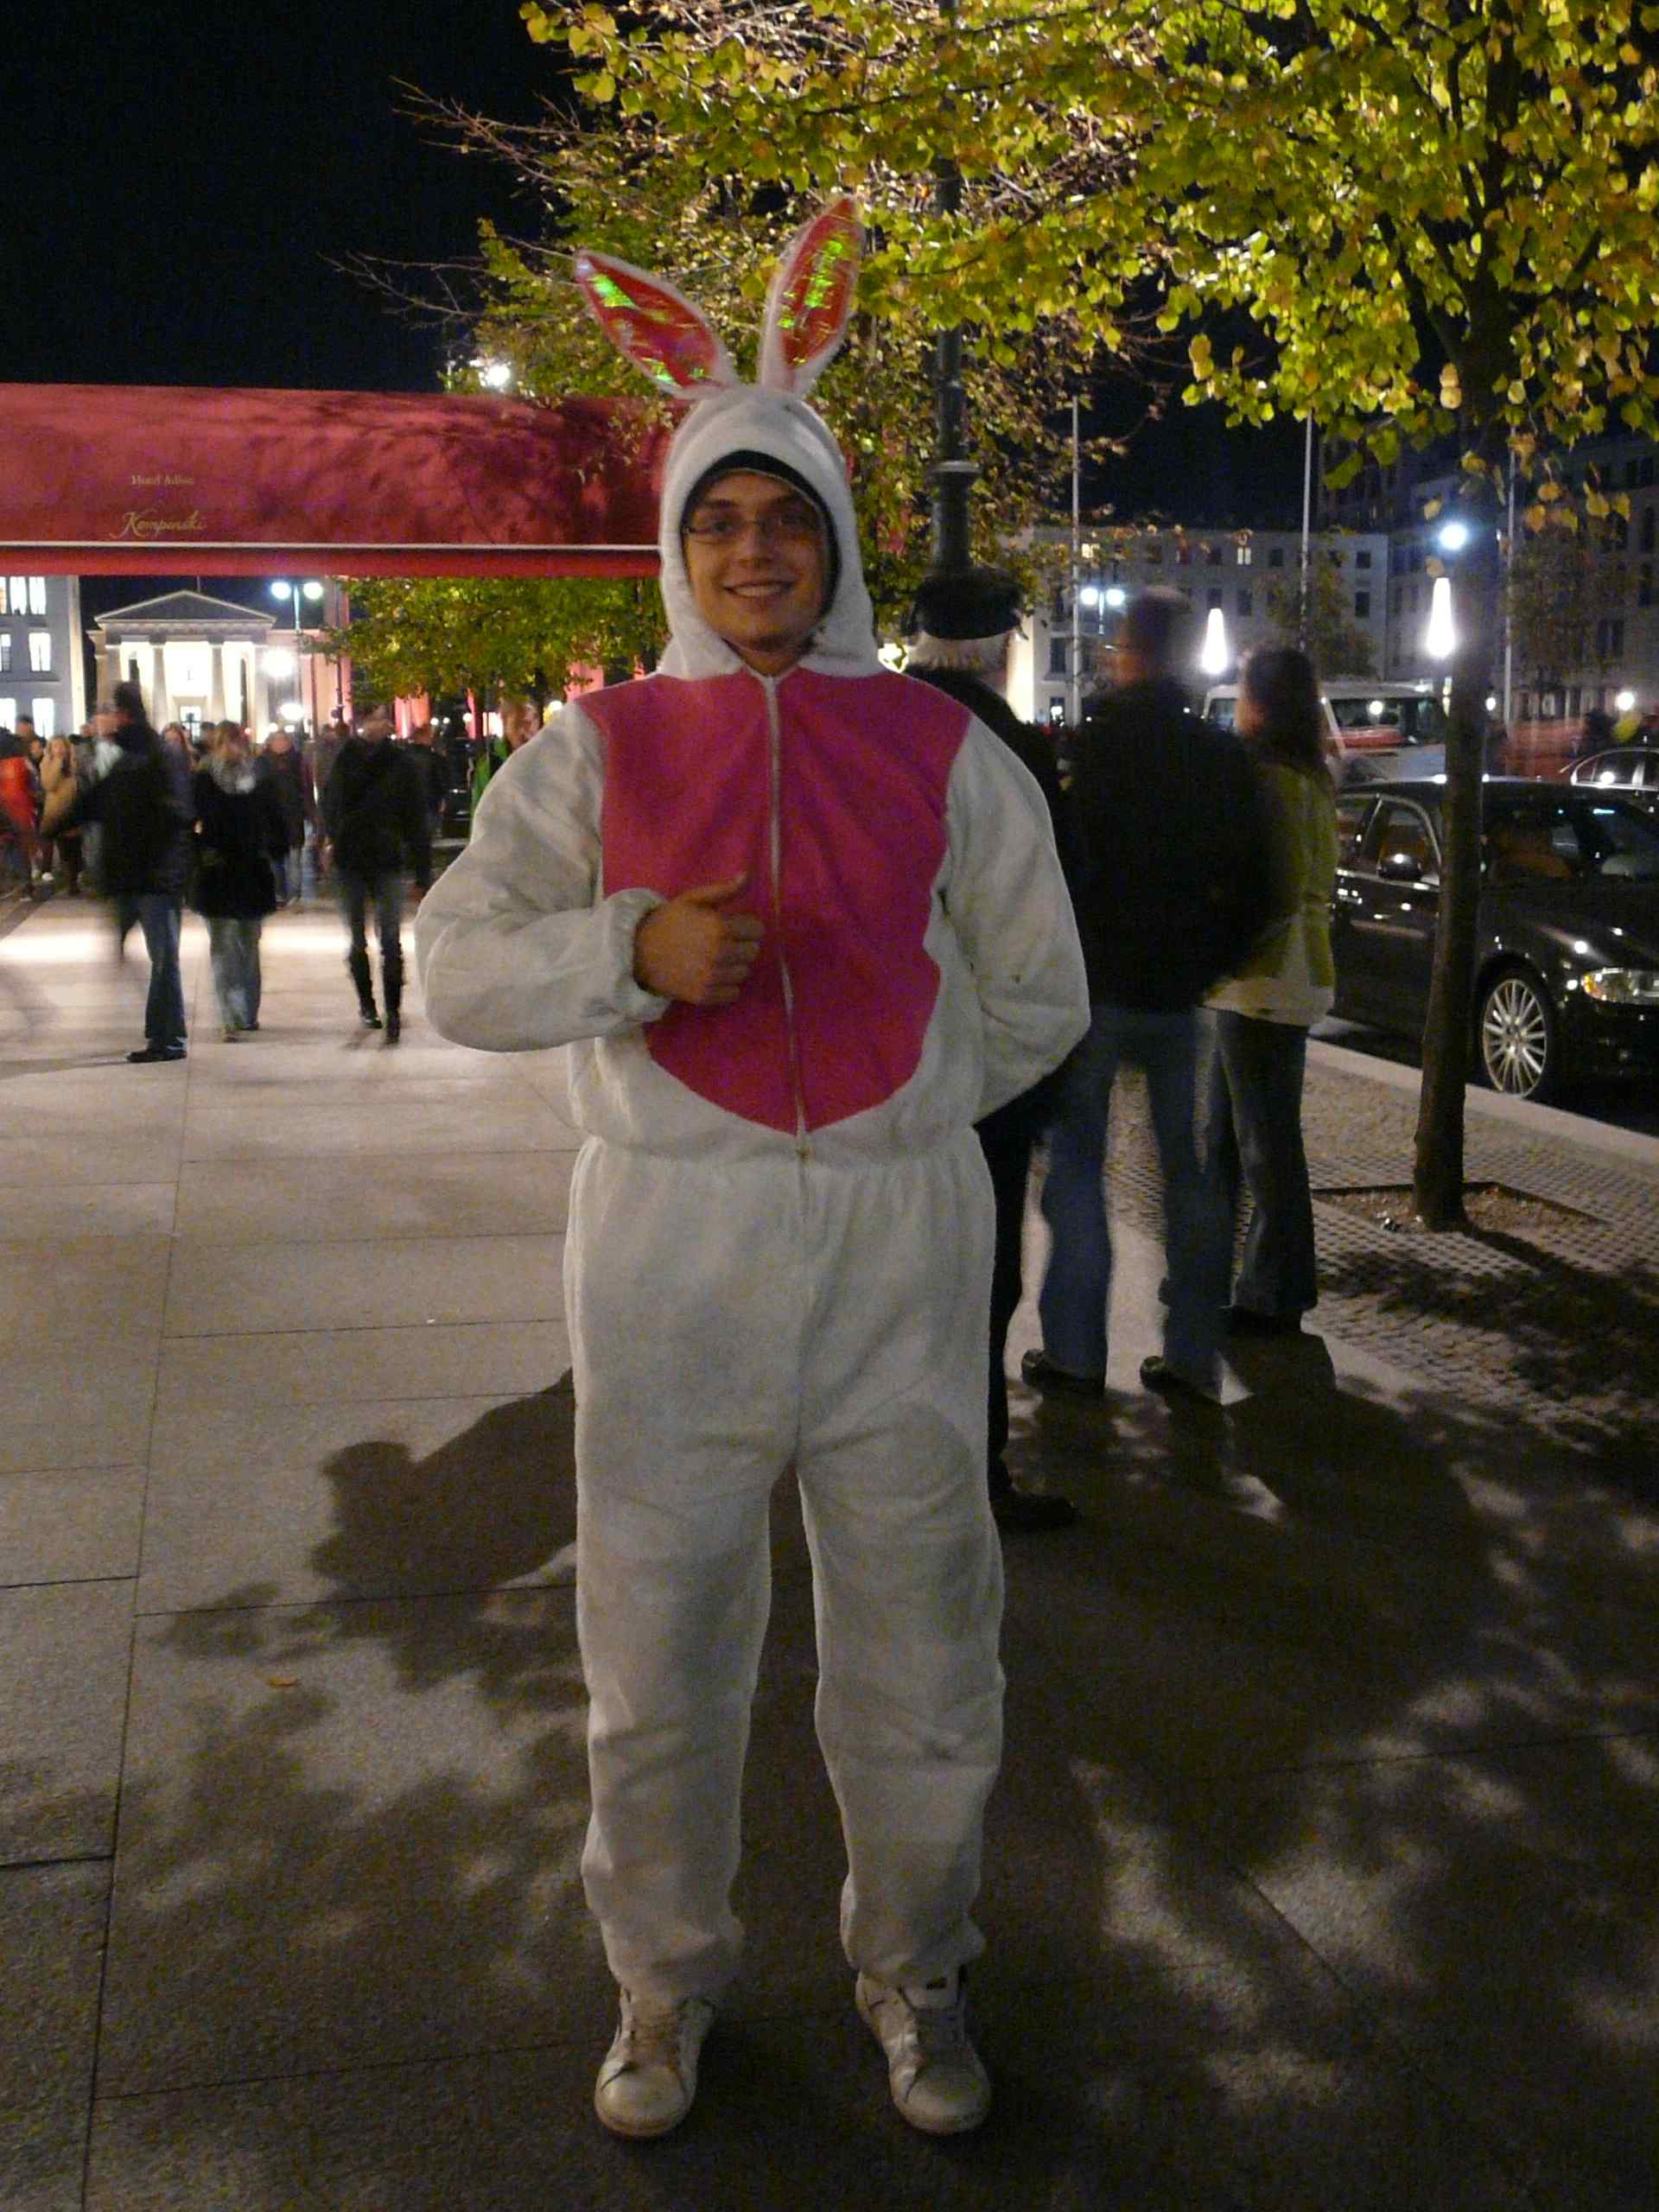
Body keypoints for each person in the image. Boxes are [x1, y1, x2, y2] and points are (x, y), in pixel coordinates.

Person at [416, 205, 1088, 2145]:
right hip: (672, 1250)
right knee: (656, 1653)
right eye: (718, 520)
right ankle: (663, 1977)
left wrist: (905, 1112)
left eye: (787, 516)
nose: (755, 550)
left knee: (925, 1641)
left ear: (838, 537)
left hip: (897, 1245)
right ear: (678, 547)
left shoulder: (942, 747)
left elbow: (1039, 991)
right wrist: (626, 948)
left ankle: (918, 1964)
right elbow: (460, 964)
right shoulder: (593, 746)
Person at [1022, 588, 1274, 1405]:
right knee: (1187, 1177)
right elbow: (1261, 883)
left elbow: (1063, 868)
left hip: (1098, 987)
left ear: (1130, 654)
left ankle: (1075, 1352)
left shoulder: (1098, 751)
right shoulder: (1218, 757)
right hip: (1174, 993)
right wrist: (1208, 962)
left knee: (1077, 1170)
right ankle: (1193, 1354)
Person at [905, 565, 1080, 1535]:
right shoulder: (1006, 748)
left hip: (886, 1059)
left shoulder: (875, 724)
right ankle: (972, 1473)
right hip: (980, 1069)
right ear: (1001, 645)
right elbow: (1045, 920)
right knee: (982, 1275)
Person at [1203, 647, 1340, 1335]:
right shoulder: (1310, 778)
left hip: (1263, 980)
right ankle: (1217, 1274)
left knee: (1263, 1146)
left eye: (1242, 690)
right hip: (1281, 978)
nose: (1236, 702)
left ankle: (1276, 1294)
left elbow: (1272, 893)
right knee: (1235, 1140)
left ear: (1261, 702)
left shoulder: (1272, 781)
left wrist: (1218, 951)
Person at [42, 681, 194, 1061]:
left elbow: (175, 813)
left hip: (153, 877)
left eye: (107, 711)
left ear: (123, 715)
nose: (101, 719)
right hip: (135, 876)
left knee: (163, 960)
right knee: (151, 958)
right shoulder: (130, 757)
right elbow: (92, 803)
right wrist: (51, 827)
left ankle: (168, 1039)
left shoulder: (150, 757)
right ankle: (163, 1033)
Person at [322, 704, 430, 1043]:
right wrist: (332, 839)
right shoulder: (345, 760)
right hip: (351, 858)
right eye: (371, 719)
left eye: (382, 719)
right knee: (357, 938)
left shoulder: (401, 763)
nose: (376, 726)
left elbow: (416, 818)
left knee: (390, 939)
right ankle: (367, 1004)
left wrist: (422, 872)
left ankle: (393, 1010)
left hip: (387, 858)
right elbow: (330, 806)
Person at [193, 721, 288, 1039]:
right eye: (227, 743)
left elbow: (275, 820)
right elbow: (191, 821)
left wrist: (274, 849)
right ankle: (229, 1014)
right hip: (218, 871)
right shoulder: (204, 780)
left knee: (249, 945)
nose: (233, 749)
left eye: (237, 743)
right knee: (223, 947)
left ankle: (247, 1012)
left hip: (251, 871)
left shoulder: (258, 780)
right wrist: (201, 852)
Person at [256, 726, 309, 906]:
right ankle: (279, 892)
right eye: (277, 740)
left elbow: (306, 787)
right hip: (271, 818)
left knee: (294, 858)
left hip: (293, 815)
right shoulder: (262, 761)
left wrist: (309, 810)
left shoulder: (298, 760)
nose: (281, 743)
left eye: (284, 739)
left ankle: (294, 894)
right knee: (275, 859)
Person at [38, 735, 83, 894]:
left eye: (62, 746)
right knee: (63, 847)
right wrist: (57, 763)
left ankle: (74, 879)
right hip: (56, 812)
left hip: (73, 810)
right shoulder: (46, 763)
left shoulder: (73, 762)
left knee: (74, 847)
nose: (59, 749)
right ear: (50, 749)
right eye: (55, 746)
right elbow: (49, 785)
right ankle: (69, 881)